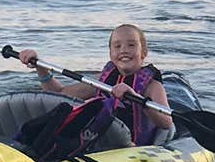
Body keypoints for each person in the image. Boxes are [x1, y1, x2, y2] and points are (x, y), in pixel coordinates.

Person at [17, 22, 171, 146]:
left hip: (133, 148)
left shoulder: (152, 86)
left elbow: (166, 122)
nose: (124, 50)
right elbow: (59, 93)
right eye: (117, 46)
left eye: (131, 45)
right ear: (110, 53)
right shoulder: (101, 81)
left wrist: (136, 97)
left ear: (143, 52)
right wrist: (40, 67)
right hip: (103, 142)